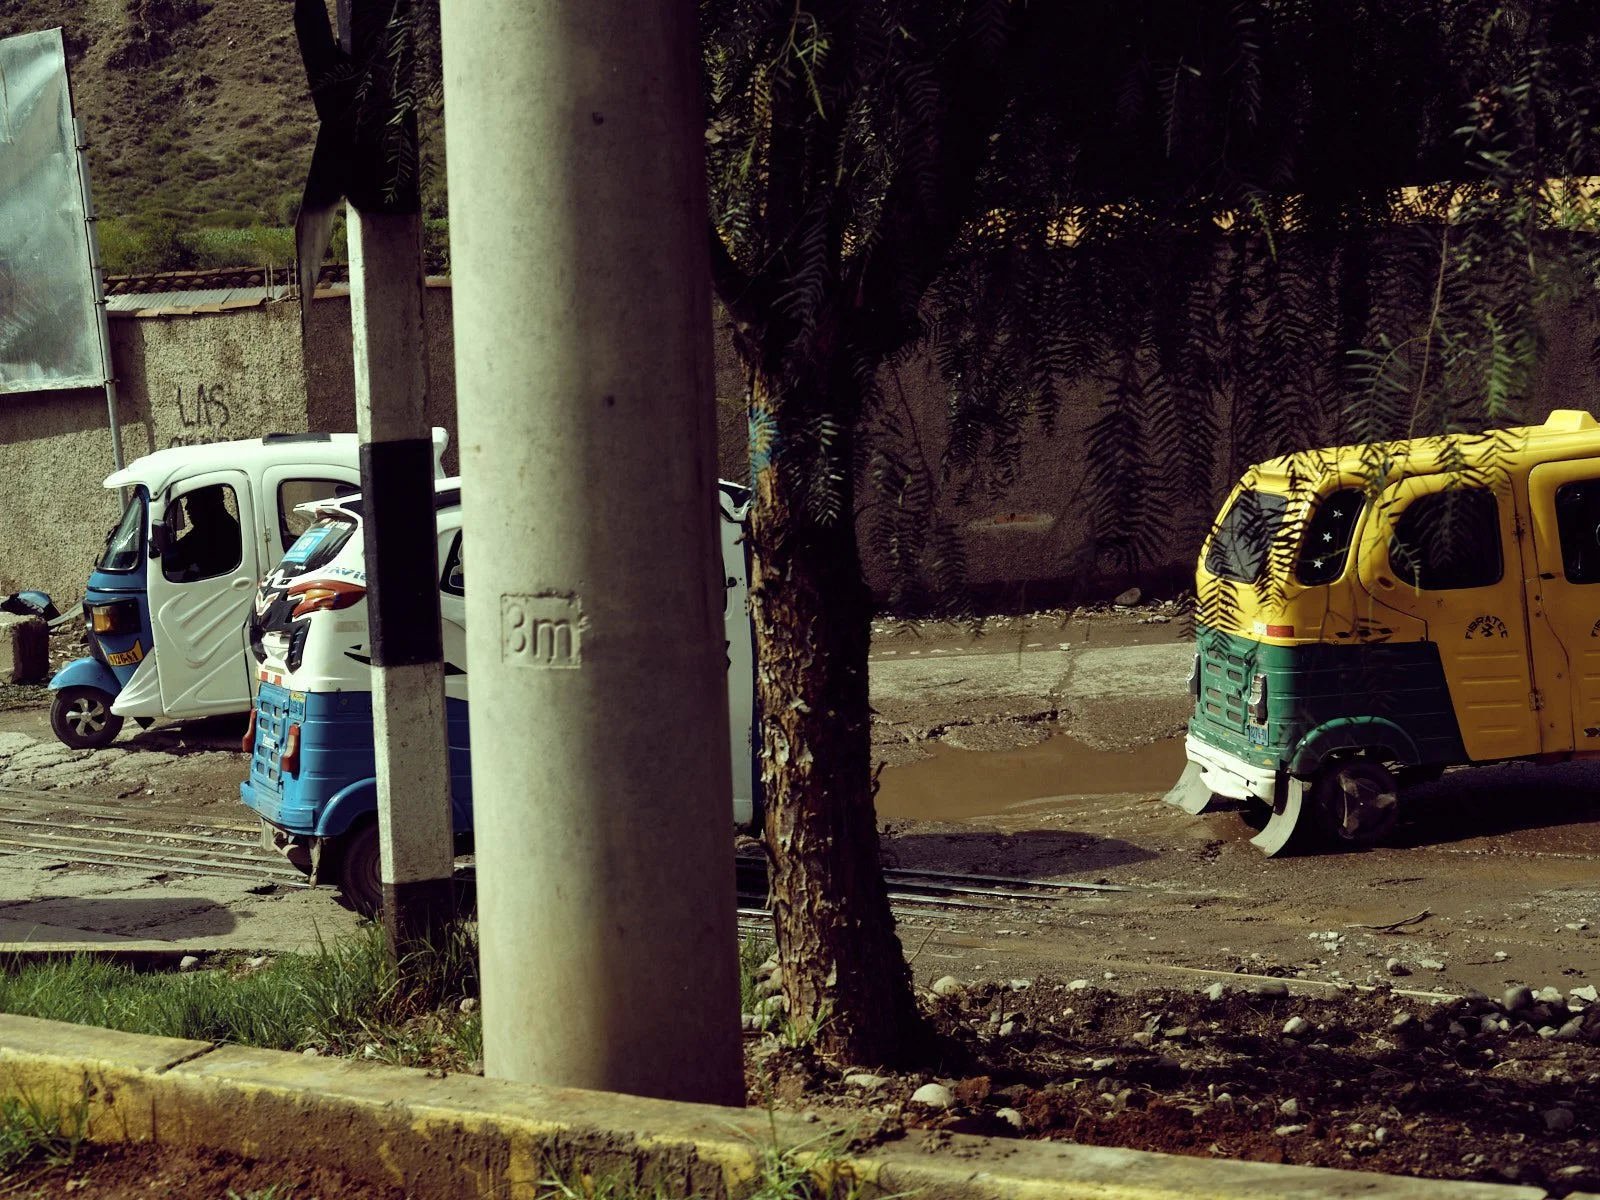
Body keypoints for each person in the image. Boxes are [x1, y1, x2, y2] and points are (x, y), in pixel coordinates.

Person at [164, 486, 241, 581]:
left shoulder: (214, 529)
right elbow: (182, 547)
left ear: (207, 503)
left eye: (192, 501)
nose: (187, 507)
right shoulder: (209, 526)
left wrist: (159, 558)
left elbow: (178, 559)